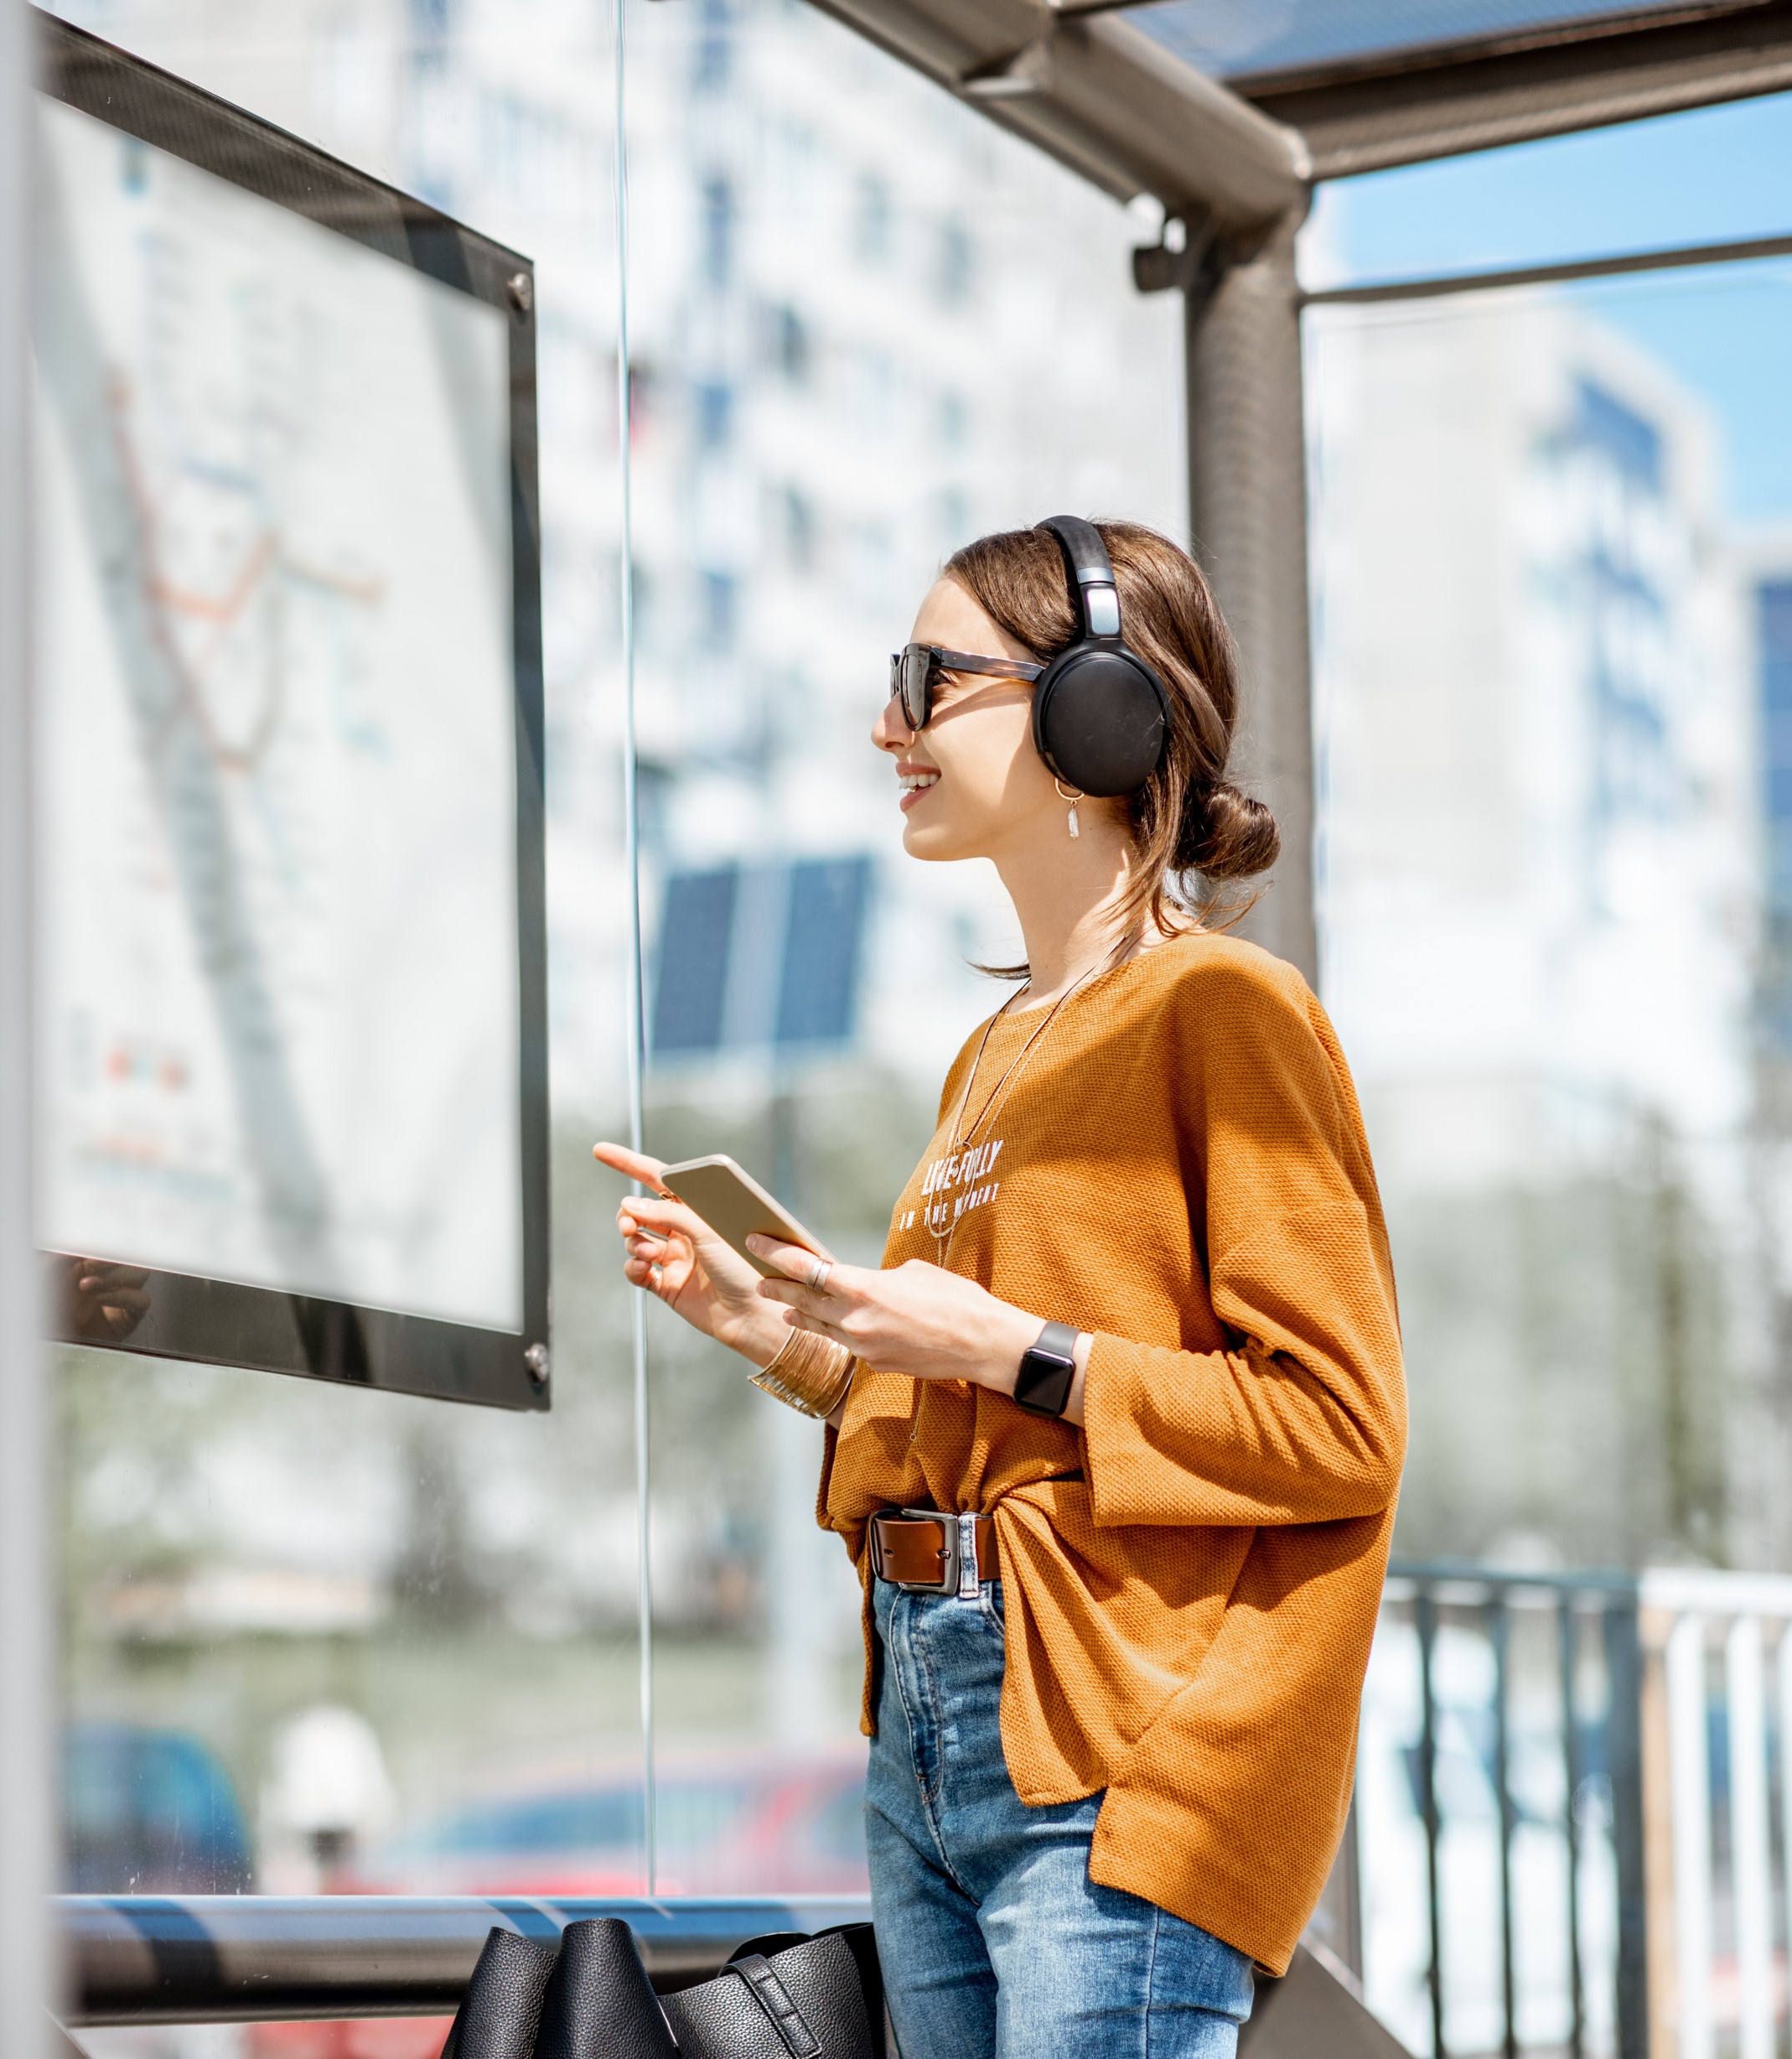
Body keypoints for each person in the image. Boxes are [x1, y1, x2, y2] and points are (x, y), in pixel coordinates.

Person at [596, 519, 1403, 2056]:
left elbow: (1340, 1427)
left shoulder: (1225, 1010)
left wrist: (1012, 1345)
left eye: (927, 678)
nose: (885, 724)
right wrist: (772, 1329)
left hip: (1108, 1746)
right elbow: (974, 1412)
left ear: (1096, 710)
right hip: (928, 1731)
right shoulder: (995, 1054)